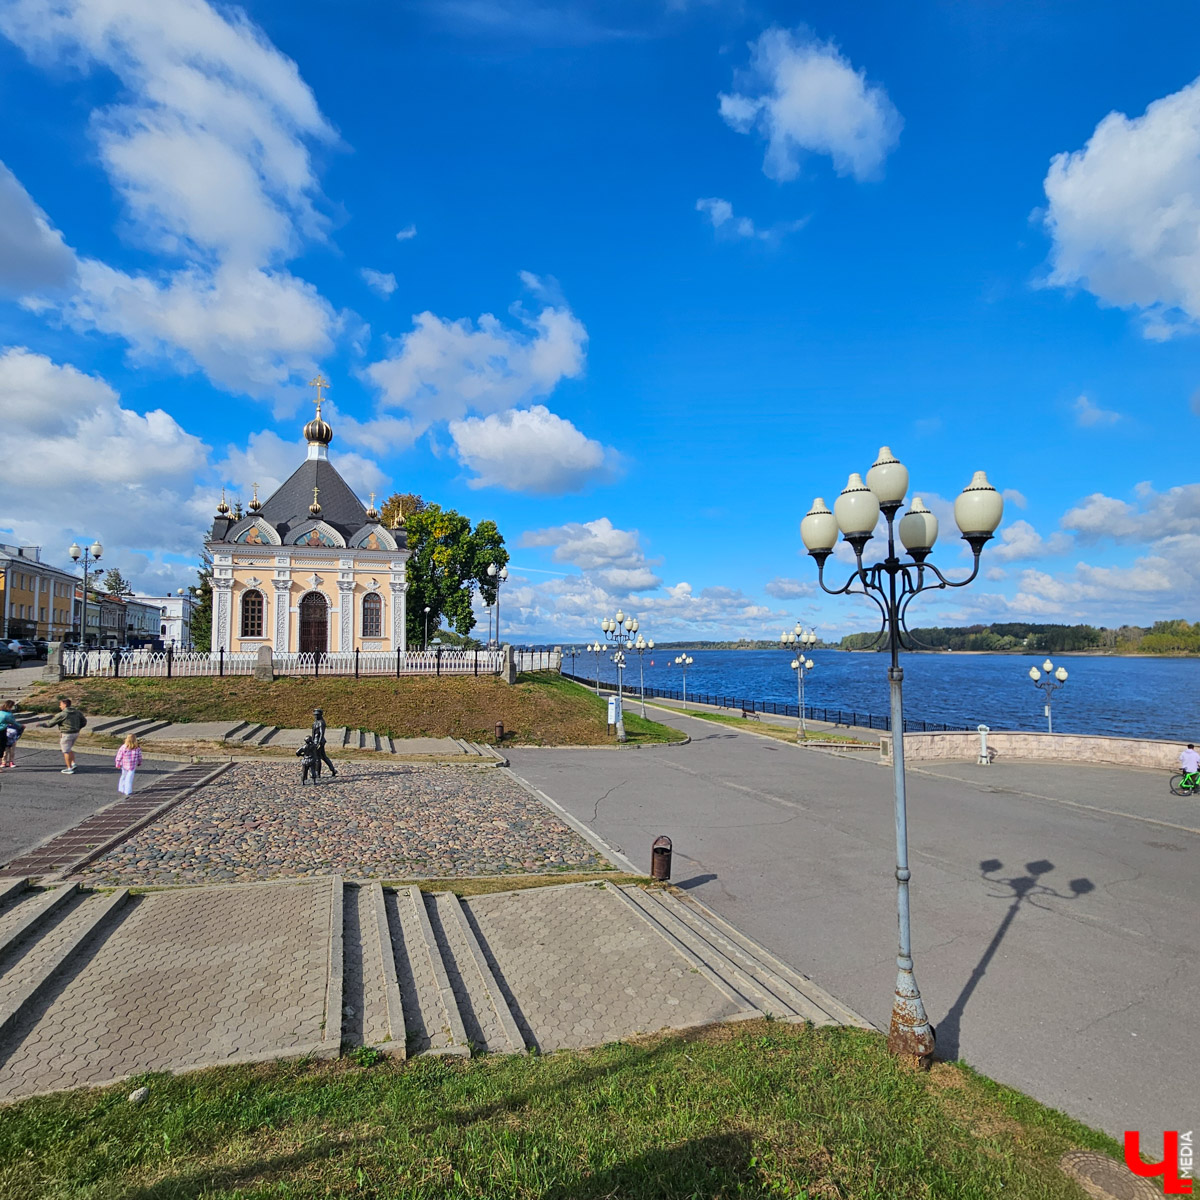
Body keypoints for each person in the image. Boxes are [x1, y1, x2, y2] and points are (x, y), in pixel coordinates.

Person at [44, 696, 87, 774]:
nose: (59, 706)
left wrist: (41, 725)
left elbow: (50, 724)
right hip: (75, 733)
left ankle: (69, 768)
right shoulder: (77, 712)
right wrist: (78, 727)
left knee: (65, 751)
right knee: (69, 748)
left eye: (60, 704)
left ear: (64, 705)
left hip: (66, 734)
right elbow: (84, 722)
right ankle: (73, 763)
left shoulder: (62, 714)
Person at [311, 708, 338, 778]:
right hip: (315, 741)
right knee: (324, 757)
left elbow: (321, 733)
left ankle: (317, 773)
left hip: (319, 742)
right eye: (315, 715)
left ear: (320, 715)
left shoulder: (321, 723)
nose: (316, 716)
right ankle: (333, 770)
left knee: (317, 758)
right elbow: (313, 733)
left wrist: (319, 743)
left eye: (317, 715)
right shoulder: (315, 723)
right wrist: (312, 741)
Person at [0, 700, 22, 769]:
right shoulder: (8, 715)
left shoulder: (1, 712)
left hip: (4, 730)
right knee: (4, 747)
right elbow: (14, 722)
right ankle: (6, 762)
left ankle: (4, 762)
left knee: (4, 748)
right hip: (3, 731)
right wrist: (21, 726)